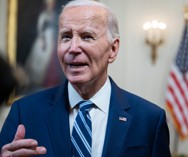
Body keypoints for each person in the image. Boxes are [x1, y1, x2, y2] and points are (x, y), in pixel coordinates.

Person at [0, 0, 171, 157]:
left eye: (87, 37)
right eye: (66, 36)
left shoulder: (149, 120)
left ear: (113, 49)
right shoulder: (24, 112)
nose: (73, 48)